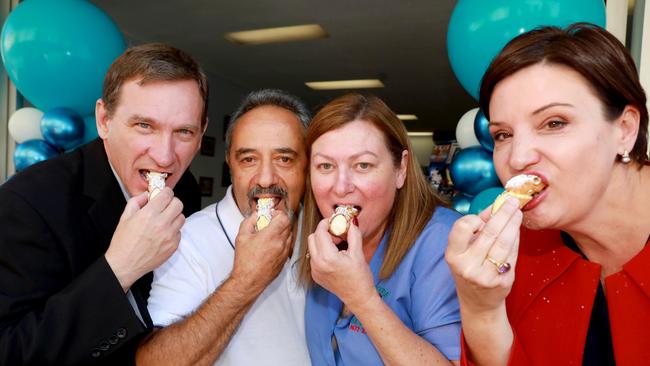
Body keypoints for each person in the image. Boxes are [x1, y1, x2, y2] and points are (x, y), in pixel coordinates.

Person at [444, 23, 650, 365]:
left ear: (625, 129)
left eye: (554, 123)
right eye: (503, 134)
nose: (518, 157)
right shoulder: (514, 255)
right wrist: (481, 310)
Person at [0, 43, 207, 365]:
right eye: (144, 126)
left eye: (183, 131)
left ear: (202, 132)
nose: (165, 156)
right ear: (104, 120)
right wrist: (120, 267)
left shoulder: (185, 189)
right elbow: (11, 351)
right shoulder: (27, 204)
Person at [138, 89, 312, 365]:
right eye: (249, 159)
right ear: (230, 163)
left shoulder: (323, 234)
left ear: (309, 164)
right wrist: (245, 281)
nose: (266, 178)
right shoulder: (188, 241)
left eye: (284, 159)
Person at [299, 93, 462, 365]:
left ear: (401, 169)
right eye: (325, 166)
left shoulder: (442, 240)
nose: (341, 186)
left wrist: (361, 298)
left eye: (363, 165)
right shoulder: (318, 241)